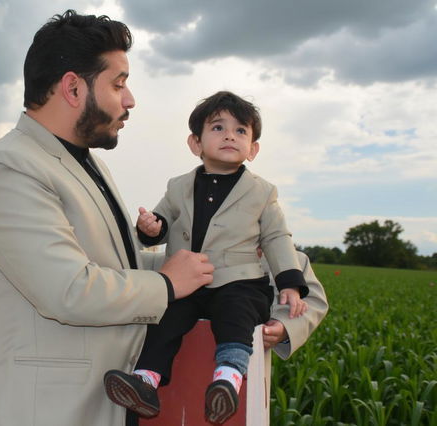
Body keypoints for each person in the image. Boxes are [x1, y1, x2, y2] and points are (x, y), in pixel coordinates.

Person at [0, 10, 215, 426]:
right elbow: (68, 288)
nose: (130, 100)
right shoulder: (8, 168)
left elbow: (115, 268)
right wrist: (166, 283)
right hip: (38, 412)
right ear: (72, 87)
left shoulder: (85, 164)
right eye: (118, 83)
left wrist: (214, 262)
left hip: (93, 407)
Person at [104, 91, 311, 424]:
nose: (230, 135)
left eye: (241, 130)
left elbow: (276, 237)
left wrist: (290, 283)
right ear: (195, 143)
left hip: (239, 283)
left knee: (236, 316)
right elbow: (160, 224)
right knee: (165, 319)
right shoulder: (178, 187)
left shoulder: (262, 192)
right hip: (187, 284)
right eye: (217, 127)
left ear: (253, 149)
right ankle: (145, 382)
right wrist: (150, 226)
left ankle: (227, 381)